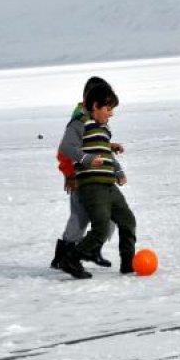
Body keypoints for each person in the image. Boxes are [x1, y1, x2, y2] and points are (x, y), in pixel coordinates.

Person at [50, 77, 122, 275]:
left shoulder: (95, 118)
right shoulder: (79, 119)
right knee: (79, 219)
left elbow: (95, 143)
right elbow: (64, 151)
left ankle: (92, 250)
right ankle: (63, 255)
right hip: (81, 179)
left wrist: (110, 148)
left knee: (109, 217)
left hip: (98, 178)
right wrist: (69, 174)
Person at [64, 83, 137, 275]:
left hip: (109, 184)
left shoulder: (104, 129)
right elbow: (67, 147)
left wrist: (118, 171)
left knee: (128, 220)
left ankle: (128, 264)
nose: (111, 113)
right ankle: (70, 259)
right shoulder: (79, 123)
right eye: (108, 108)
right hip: (91, 186)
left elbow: (106, 154)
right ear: (95, 105)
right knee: (101, 227)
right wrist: (86, 159)